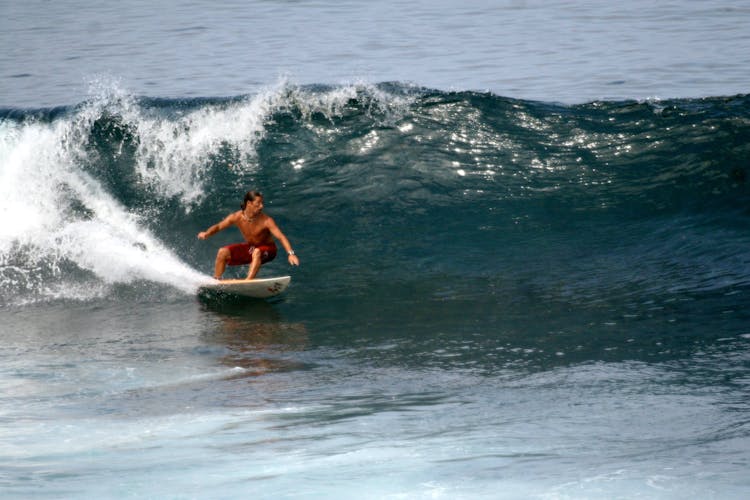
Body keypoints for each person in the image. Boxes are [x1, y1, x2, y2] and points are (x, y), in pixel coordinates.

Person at [197, 190, 300, 280]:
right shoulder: (237, 217)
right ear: (249, 203)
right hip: (252, 248)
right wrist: (207, 233)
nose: (262, 206)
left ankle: (248, 282)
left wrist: (291, 254)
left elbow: (281, 237)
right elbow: (219, 226)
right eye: (258, 203)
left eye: (262, 203)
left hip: (269, 250)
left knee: (257, 251)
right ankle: (217, 280)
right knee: (222, 252)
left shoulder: (266, 221)